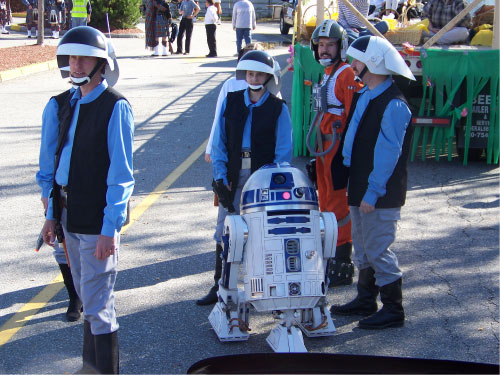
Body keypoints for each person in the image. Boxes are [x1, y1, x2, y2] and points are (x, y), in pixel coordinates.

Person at [39, 26, 134, 373]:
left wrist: (110, 229)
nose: (75, 64)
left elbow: (121, 176)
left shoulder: (115, 107)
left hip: (97, 222)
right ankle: (89, 369)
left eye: (83, 58)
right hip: (67, 216)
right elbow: (49, 168)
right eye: (71, 57)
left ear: (101, 63)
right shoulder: (60, 104)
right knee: (85, 295)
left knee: (98, 304)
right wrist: (51, 215)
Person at [329, 35, 414, 330]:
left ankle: (393, 309)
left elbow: (389, 155)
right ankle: (366, 300)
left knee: (379, 249)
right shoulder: (367, 93)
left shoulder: (394, 104)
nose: (352, 65)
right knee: (364, 249)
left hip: (378, 193)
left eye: (357, 60)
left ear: (374, 63)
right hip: (360, 186)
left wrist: (373, 192)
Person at [196, 50, 293, 305]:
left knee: (261, 232)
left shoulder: (278, 108)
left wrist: (271, 182)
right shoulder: (231, 100)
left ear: (269, 76)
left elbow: (284, 152)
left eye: (259, 73)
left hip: (263, 177)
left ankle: (261, 286)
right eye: (250, 73)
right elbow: (219, 142)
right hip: (232, 174)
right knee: (225, 231)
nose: (254, 77)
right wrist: (220, 176)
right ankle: (221, 286)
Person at [307, 20, 363, 288]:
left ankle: (343, 258)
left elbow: (353, 115)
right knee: (326, 199)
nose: (325, 49)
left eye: (330, 45)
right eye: (321, 45)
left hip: (336, 148)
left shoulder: (345, 75)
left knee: (338, 203)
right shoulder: (329, 73)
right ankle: (330, 248)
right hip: (324, 147)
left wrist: (346, 155)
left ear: (341, 47)